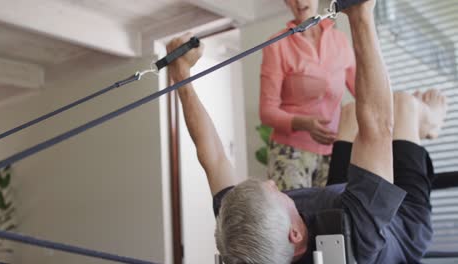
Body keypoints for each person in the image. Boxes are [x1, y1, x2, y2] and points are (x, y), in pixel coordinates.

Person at [166, 0, 448, 262]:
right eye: (274, 192)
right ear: (295, 234)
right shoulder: (361, 234)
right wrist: (362, 16)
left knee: (349, 114)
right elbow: (378, 123)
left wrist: (181, 76)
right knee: (403, 106)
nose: (271, 183)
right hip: (404, 224)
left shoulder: (245, 232)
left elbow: (212, 156)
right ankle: (430, 121)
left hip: (337, 203)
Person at [260, 0, 357, 190]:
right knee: (295, 218)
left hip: (334, 152)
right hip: (290, 153)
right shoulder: (277, 44)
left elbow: (363, 93)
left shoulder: (340, 40)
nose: (300, 1)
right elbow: (266, 111)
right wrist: (304, 123)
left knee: (330, 217)